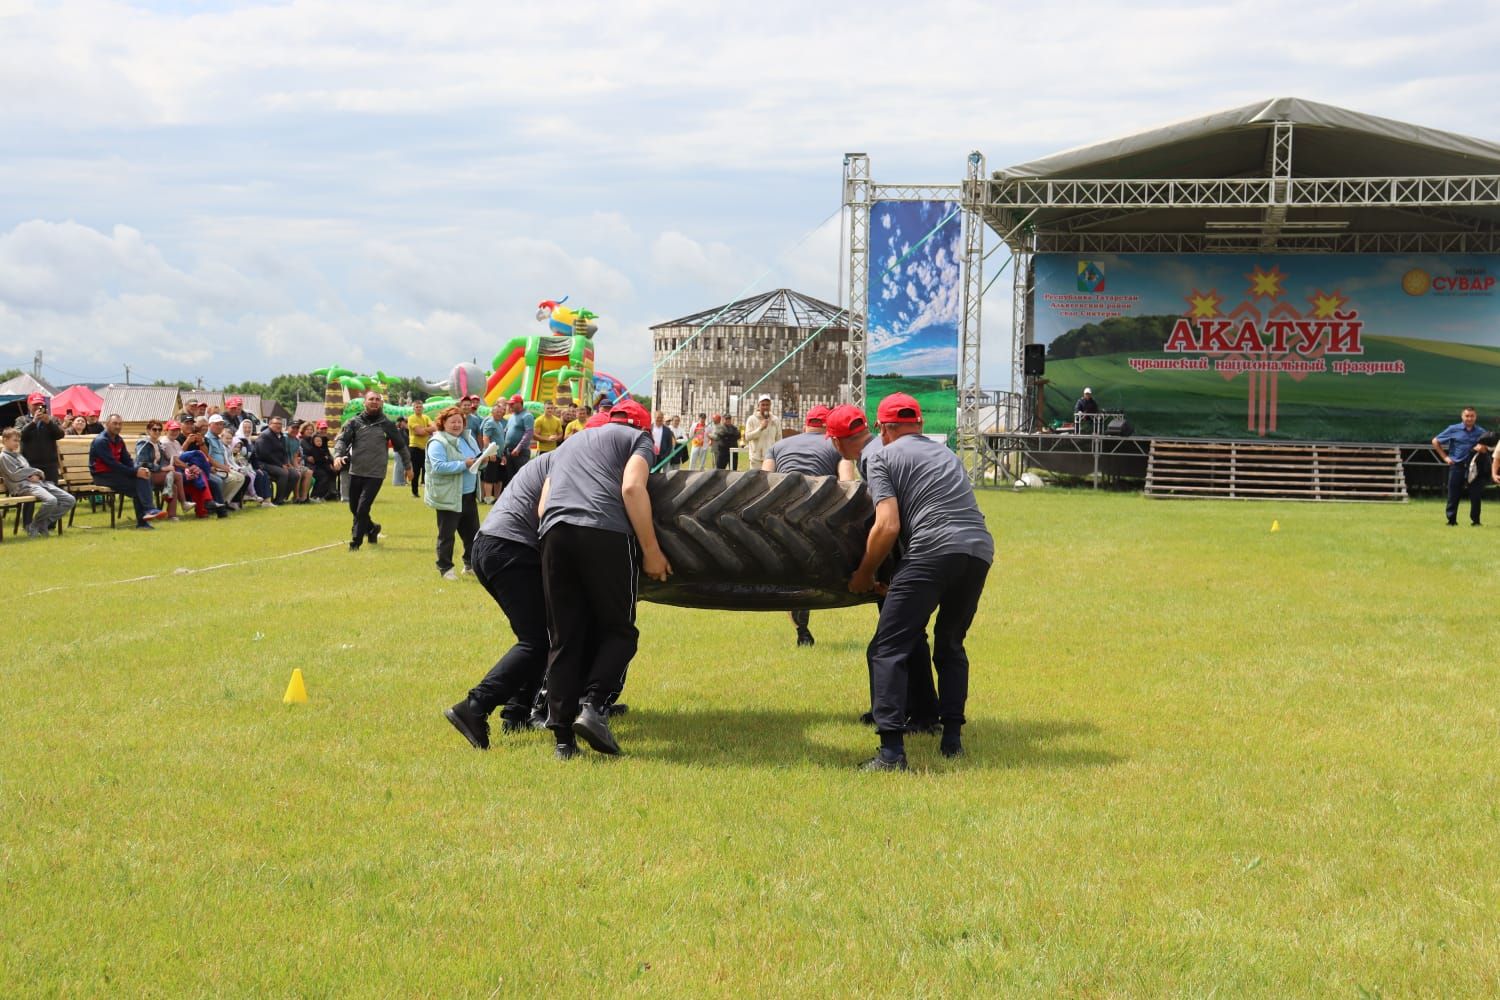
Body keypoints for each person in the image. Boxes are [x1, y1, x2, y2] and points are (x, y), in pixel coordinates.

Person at [836, 394, 993, 771]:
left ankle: (891, 754)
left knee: (886, 649)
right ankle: (951, 741)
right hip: (978, 551)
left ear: (884, 429)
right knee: (951, 644)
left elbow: (887, 525)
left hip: (932, 550)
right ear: (919, 425)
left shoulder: (883, 456)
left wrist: (864, 574)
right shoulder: (948, 455)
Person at [536, 397, 670, 759]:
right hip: (605, 532)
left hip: (554, 532)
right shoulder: (638, 440)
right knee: (619, 632)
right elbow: (631, 488)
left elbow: (542, 505)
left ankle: (564, 741)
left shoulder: (571, 442)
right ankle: (593, 707)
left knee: (564, 638)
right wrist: (652, 551)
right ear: (641, 426)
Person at [444, 448, 558, 748]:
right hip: (511, 550)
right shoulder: (569, 463)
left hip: (495, 545)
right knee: (538, 639)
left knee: (540, 634)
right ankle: (474, 706)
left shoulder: (553, 458)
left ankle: (517, 711)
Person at [762, 404, 842, 647]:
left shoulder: (777, 446)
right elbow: (849, 483)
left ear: (806, 424)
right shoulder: (835, 446)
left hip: (783, 516)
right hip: (819, 517)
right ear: (827, 425)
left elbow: (763, 482)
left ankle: (802, 629)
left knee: (794, 574)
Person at [333, 390, 410, 550]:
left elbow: (401, 446)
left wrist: (408, 466)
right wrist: (338, 455)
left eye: (377, 399)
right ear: (364, 403)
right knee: (354, 508)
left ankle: (355, 543)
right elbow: (342, 440)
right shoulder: (353, 422)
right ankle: (372, 528)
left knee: (362, 507)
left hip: (376, 473)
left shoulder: (387, 424)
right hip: (356, 470)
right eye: (371, 399)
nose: (374, 402)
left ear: (381, 403)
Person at [425, 406, 488, 579]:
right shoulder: (438, 442)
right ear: (443, 423)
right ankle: (445, 568)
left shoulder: (468, 438)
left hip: (468, 494)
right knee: (447, 535)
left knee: (472, 534)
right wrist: (464, 464)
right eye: (452, 421)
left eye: (459, 421)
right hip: (449, 495)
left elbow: (475, 459)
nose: (456, 425)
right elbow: (438, 467)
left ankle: (470, 565)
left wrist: (483, 460)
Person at [89, 413, 168, 529]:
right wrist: (134, 472)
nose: (117, 426)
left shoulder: (118, 440)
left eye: (120, 424)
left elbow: (126, 460)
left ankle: (144, 520)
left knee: (142, 476)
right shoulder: (101, 441)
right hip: (102, 475)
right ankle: (148, 511)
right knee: (138, 483)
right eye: (115, 423)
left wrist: (138, 469)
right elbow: (112, 464)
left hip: (114, 474)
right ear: (107, 424)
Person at [1, 427, 74, 537]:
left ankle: (40, 524)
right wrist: (36, 471)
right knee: (51, 500)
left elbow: (28, 472)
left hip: (37, 484)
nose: (17, 443)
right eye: (14, 440)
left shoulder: (19, 455)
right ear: (5, 440)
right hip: (22, 487)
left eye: (18, 441)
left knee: (69, 499)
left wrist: (37, 475)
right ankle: (36, 526)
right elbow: (15, 475)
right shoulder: (3, 457)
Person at [1432, 406, 1488, 527]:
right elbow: (1435, 441)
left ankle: (1476, 521)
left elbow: (1489, 448)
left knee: (1475, 494)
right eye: (1467, 416)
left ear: (1475, 417)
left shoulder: (1482, 432)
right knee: (1453, 494)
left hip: (1474, 468)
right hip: (1457, 466)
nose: (1469, 418)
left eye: (1472, 416)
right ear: (1462, 416)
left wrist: (1484, 449)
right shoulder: (1453, 429)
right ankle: (1451, 520)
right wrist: (1445, 458)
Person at [135, 422, 180, 520]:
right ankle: (183, 502)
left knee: (174, 486)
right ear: (148, 430)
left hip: (157, 473)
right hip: (146, 474)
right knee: (178, 476)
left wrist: (167, 466)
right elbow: (143, 463)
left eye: (159, 429)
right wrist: (162, 468)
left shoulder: (159, 444)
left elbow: (162, 461)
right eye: (154, 429)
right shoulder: (144, 444)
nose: (157, 432)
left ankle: (171, 515)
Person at [20, 393, 64, 483]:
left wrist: (49, 423)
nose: (38, 407)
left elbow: (60, 435)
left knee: (53, 492)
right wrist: (33, 422)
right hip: (30, 465)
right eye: (35, 405)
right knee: (35, 493)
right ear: (28, 406)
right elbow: (20, 435)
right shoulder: (21, 420)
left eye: (40, 404)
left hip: (50, 465)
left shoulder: (52, 420)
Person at [253, 417, 298, 504]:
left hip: (277, 464)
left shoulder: (281, 436)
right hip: (263, 463)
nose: (278, 426)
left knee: (295, 474)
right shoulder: (265, 436)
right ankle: (278, 500)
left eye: (280, 424)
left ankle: (283, 497)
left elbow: (284, 452)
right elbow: (265, 454)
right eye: (276, 424)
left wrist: (286, 463)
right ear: (270, 425)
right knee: (284, 473)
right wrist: (280, 465)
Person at [499, 394, 534, 488]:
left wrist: (518, 448)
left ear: (520, 404)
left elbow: (529, 433)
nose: (510, 406)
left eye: (512, 404)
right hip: (509, 452)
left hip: (521, 452)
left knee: (521, 477)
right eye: (509, 404)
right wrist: (503, 450)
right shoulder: (512, 416)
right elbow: (506, 431)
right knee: (510, 477)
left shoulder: (527, 416)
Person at [743, 394, 781, 467]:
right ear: (758, 406)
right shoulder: (752, 419)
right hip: (756, 458)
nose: (765, 407)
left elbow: (779, 438)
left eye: (767, 405)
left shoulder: (775, 420)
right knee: (755, 478)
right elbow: (747, 437)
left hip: (770, 458)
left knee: (770, 478)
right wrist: (760, 428)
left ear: (770, 406)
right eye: (763, 405)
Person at [479, 403, 506, 503]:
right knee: (489, 477)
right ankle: (488, 498)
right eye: (497, 412)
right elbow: (485, 438)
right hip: (492, 455)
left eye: (501, 412)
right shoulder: (490, 422)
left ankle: (497, 497)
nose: (499, 413)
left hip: (499, 455)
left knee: (498, 477)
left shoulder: (499, 423)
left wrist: (503, 455)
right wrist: (490, 452)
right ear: (492, 412)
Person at [407, 399, 432, 497]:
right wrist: (427, 431)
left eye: (420, 407)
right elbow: (419, 432)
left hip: (425, 447)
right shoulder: (411, 418)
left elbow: (434, 427)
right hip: (415, 447)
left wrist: (423, 430)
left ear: (423, 408)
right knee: (416, 471)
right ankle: (415, 492)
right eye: (416, 407)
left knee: (427, 470)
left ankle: (428, 492)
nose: (418, 408)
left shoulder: (426, 417)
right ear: (413, 408)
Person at [390, 416, 411, 488]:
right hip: (398, 451)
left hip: (403, 451)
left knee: (401, 467)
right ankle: (398, 482)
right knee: (399, 467)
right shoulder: (397, 430)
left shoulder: (404, 430)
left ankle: (401, 482)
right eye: (405, 422)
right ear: (401, 422)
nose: (406, 423)